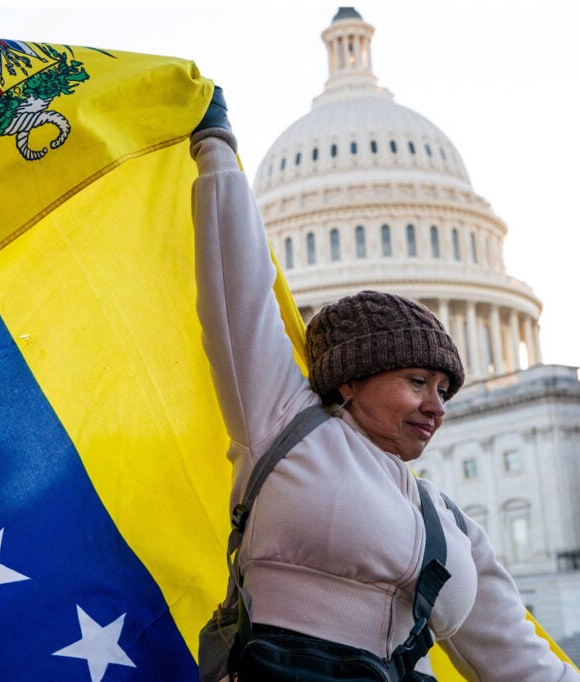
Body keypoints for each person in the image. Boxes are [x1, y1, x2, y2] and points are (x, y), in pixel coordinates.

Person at [189, 87, 580, 680]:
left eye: (444, 390)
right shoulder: (283, 429)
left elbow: (518, 660)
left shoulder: (449, 522)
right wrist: (216, 150)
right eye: (417, 380)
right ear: (350, 381)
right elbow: (236, 293)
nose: (436, 406)